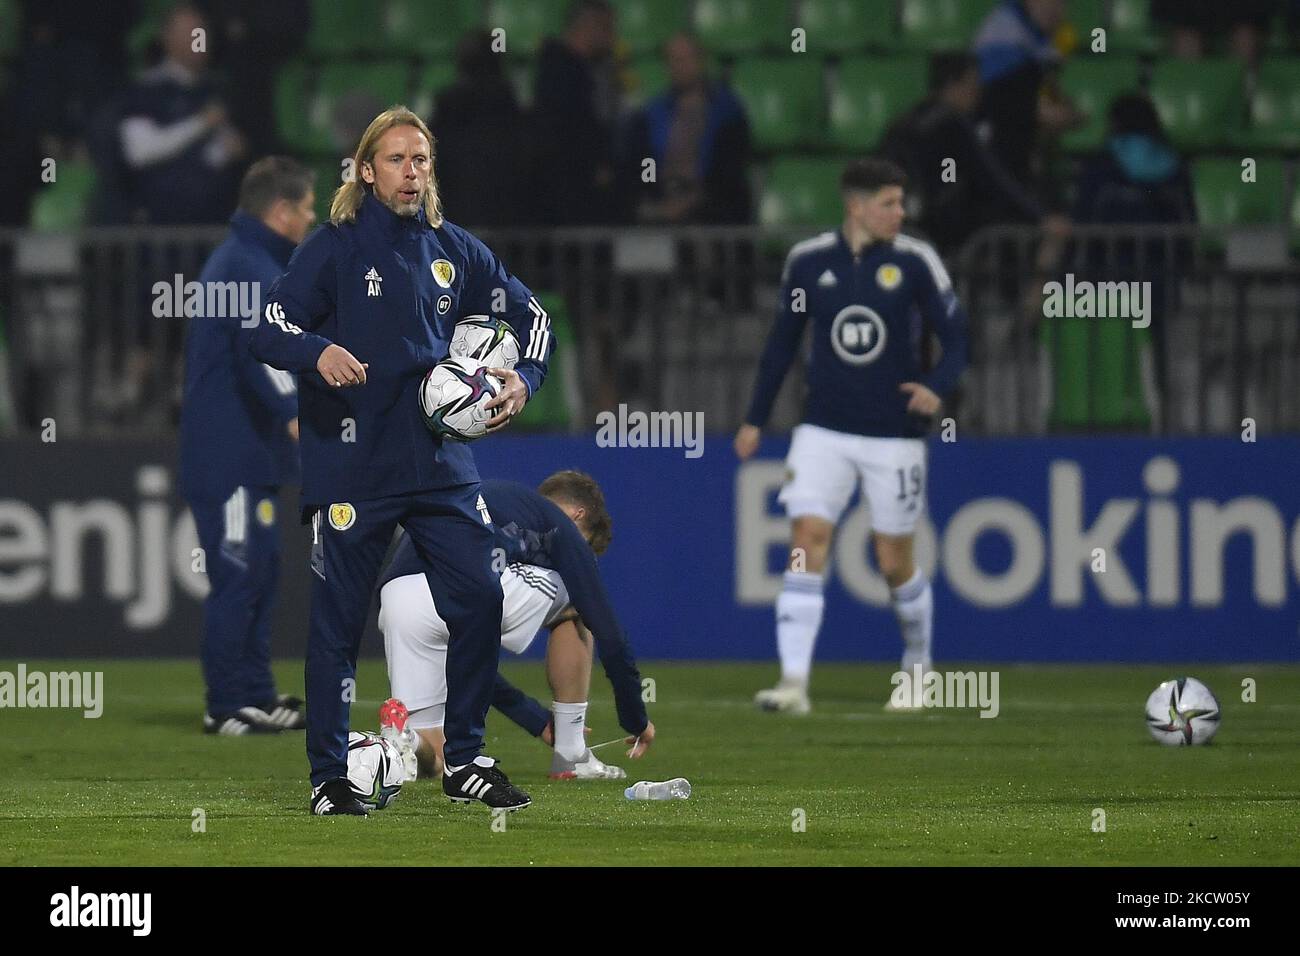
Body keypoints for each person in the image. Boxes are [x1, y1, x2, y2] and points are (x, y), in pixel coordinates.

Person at [246, 106, 553, 816]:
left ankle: (466, 758)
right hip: (353, 470)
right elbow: (268, 325)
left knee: (480, 599)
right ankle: (329, 778)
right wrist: (316, 352)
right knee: (338, 625)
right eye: (396, 160)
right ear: (365, 169)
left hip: (441, 467)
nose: (411, 172)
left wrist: (523, 380)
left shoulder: (454, 248)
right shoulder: (333, 247)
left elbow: (532, 317)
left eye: (421, 160)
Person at [734, 158, 968, 714]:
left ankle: (917, 667)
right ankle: (792, 683)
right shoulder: (809, 262)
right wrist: (754, 418)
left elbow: (957, 337)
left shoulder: (916, 261)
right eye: (890, 202)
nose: (900, 213)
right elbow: (781, 346)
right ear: (856, 205)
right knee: (805, 542)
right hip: (823, 430)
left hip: (896, 434)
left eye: (901, 202)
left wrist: (937, 386)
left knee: (892, 560)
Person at [377, 472, 653, 780]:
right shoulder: (558, 524)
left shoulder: (488, 499)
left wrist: (534, 719)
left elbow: (471, 665)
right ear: (579, 514)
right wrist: (636, 718)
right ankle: (572, 754)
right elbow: (610, 634)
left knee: (436, 758)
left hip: (397, 599)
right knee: (578, 606)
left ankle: (403, 738)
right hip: (460, 585)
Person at [180, 156, 316, 735]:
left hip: (247, 458)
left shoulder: (248, 261)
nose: (312, 218)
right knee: (239, 572)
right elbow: (261, 352)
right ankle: (226, 700)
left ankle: (254, 691)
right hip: (230, 458)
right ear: (282, 212)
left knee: (259, 569)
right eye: (308, 207)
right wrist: (293, 414)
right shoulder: (247, 269)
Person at [879, 52, 1066, 256]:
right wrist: (1040, 216)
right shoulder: (953, 124)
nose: (978, 90)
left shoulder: (904, 121)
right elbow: (993, 178)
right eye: (972, 82)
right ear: (953, 84)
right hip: (937, 229)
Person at [617, 31, 752, 225]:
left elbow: (729, 170)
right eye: (673, 60)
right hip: (662, 201)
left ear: (701, 60)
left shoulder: (727, 112)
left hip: (711, 209)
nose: (679, 66)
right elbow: (644, 164)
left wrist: (692, 201)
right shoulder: (652, 113)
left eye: (686, 59)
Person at [532, 0, 620, 225]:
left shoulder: (582, 72)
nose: (613, 38)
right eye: (608, 29)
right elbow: (571, 132)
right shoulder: (562, 75)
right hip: (565, 194)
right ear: (590, 27)